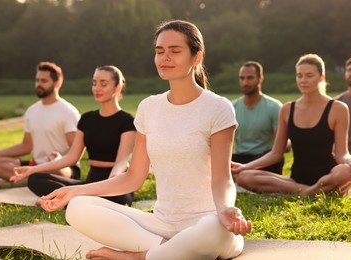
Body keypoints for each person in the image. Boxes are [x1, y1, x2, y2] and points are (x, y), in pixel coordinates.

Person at [26, 20, 252, 260]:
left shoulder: (217, 108)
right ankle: (169, 251)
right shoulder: (149, 107)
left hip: (208, 223)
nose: (165, 58)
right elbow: (134, 178)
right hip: (161, 225)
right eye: (159, 51)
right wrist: (74, 191)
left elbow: (222, 179)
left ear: (197, 57)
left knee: (211, 231)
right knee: (78, 208)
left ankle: (137, 257)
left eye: (175, 51)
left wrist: (226, 208)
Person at [232, 54, 351, 196]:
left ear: (321, 77)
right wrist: (245, 166)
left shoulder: (338, 109)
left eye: (309, 75)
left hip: (328, 175)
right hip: (295, 180)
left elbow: (341, 153)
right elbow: (276, 153)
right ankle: (310, 192)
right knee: (244, 176)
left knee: (346, 172)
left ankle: (306, 192)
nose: (303, 80)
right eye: (299, 76)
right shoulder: (287, 109)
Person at [12, 65, 136, 206]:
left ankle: (72, 199)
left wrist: (110, 183)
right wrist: (32, 169)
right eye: (94, 83)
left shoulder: (127, 121)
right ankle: (80, 199)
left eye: (103, 84)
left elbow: (121, 161)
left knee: (116, 199)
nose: (97, 88)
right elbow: (71, 157)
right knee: (36, 179)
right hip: (90, 181)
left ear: (117, 87)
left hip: (115, 183)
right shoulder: (87, 119)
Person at [0, 62, 81, 187]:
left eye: (44, 81)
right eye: (37, 80)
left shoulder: (68, 112)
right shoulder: (32, 111)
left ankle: (19, 182)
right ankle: (29, 181)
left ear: (57, 82)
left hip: (62, 167)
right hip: (35, 165)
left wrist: (59, 160)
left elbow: (75, 149)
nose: (39, 84)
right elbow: (26, 146)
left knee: (58, 171)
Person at [232, 61, 289, 175]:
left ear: (260, 78)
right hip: (239, 158)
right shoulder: (232, 107)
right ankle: (245, 176)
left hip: (263, 159)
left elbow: (284, 146)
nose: (245, 82)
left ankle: (242, 176)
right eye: (242, 78)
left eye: (250, 78)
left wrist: (288, 143)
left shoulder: (274, 107)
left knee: (277, 159)